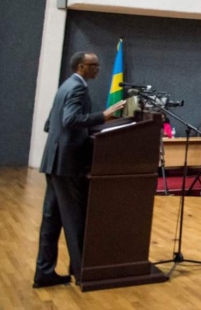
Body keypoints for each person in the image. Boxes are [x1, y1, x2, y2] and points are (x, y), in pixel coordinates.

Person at [35, 52, 126, 288]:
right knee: (74, 220)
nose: (98, 68)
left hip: (54, 162)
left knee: (51, 221)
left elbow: (50, 124)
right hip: (68, 165)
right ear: (81, 66)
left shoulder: (65, 86)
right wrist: (103, 116)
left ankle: (44, 272)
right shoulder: (77, 88)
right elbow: (70, 119)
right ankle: (82, 272)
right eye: (94, 65)